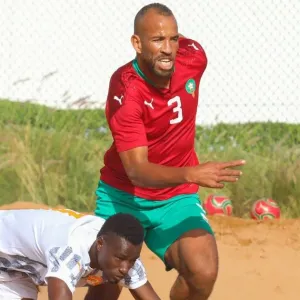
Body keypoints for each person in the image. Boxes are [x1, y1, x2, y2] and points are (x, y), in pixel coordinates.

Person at [94, 3, 246, 300]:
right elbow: (137, 170)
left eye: (173, 39)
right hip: (123, 196)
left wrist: (186, 178)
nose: (168, 49)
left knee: (203, 271)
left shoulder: (194, 57)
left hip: (175, 196)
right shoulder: (126, 89)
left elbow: (171, 39)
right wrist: (191, 173)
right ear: (136, 43)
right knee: (104, 290)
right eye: (157, 40)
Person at [0, 208, 160, 300]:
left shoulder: (124, 254)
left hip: (21, 271)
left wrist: (126, 260)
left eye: (132, 260)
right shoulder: (69, 252)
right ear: (100, 244)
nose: (125, 268)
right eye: (120, 259)